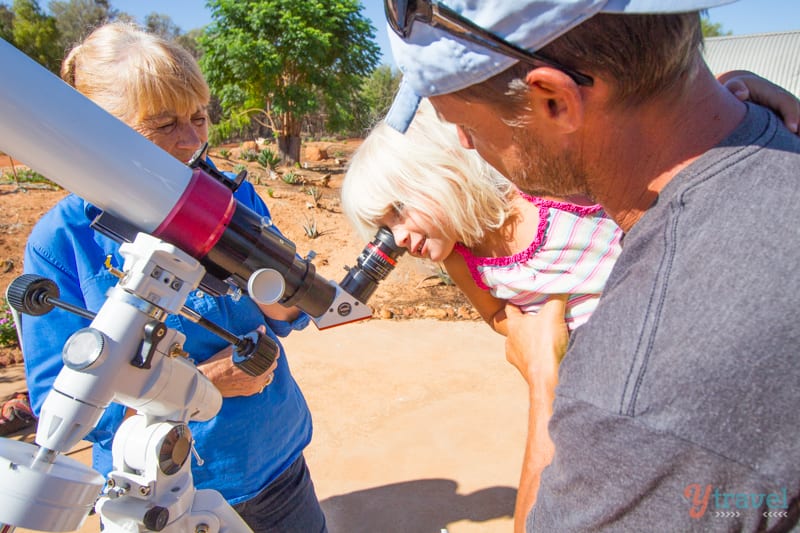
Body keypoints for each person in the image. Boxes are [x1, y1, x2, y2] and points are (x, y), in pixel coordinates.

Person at [382, 1, 800, 531]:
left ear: (554, 100)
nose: (463, 143)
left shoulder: (634, 397)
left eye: (461, 121)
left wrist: (542, 381)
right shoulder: (778, 140)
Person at [21, 23, 326, 532]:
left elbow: (285, 316)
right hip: (154, 495)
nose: (191, 142)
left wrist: (285, 298)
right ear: (96, 128)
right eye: (164, 124)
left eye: (199, 118)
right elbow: (61, 401)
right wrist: (204, 386)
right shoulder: (60, 243)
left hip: (274, 468)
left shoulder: (227, 198)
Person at [343, 98, 621, 336]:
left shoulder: (539, 194)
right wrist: (531, 337)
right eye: (386, 229)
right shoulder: (461, 261)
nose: (399, 237)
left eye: (400, 209)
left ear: (443, 172)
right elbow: (495, 313)